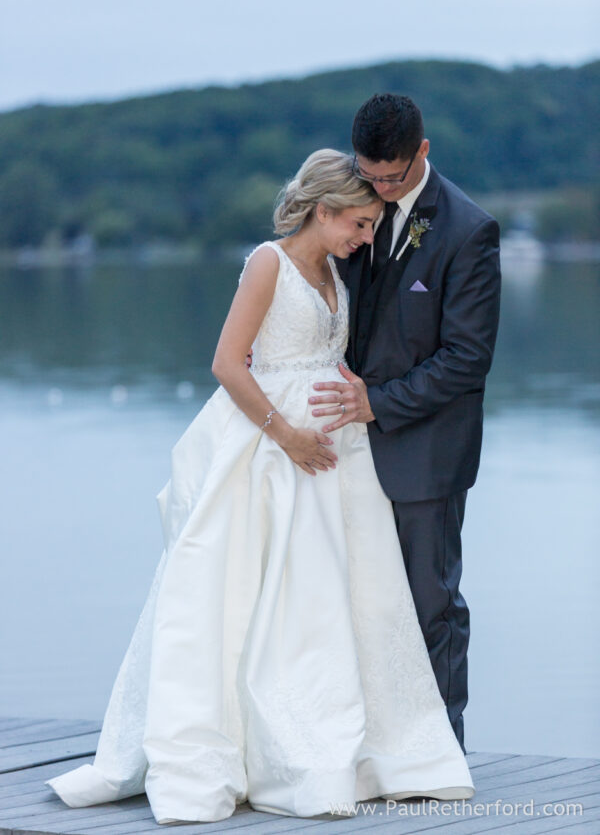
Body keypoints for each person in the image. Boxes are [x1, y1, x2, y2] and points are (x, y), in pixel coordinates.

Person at [45, 149, 474, 824]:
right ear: (322, 209)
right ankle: (255, 749)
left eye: (369, 227)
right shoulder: (267, 263)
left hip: (339, 454)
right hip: (276, 446)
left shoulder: (336, 268)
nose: (364, 238)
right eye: (357, 224)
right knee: (259, 592)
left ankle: (352, 745)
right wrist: (287, 435)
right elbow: (225, 361)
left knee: (342, 597)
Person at [309, 96, 502, 753]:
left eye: (393, 177)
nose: (382, 190)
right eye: (373, 175)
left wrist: (378, 403)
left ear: (422, 150)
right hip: (341, 447)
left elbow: (467, 359)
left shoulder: (467, 230)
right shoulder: (348, 200)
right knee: (352, 600)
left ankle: (439, 753)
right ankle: (365, 745)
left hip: (426, 449)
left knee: (431, 603)